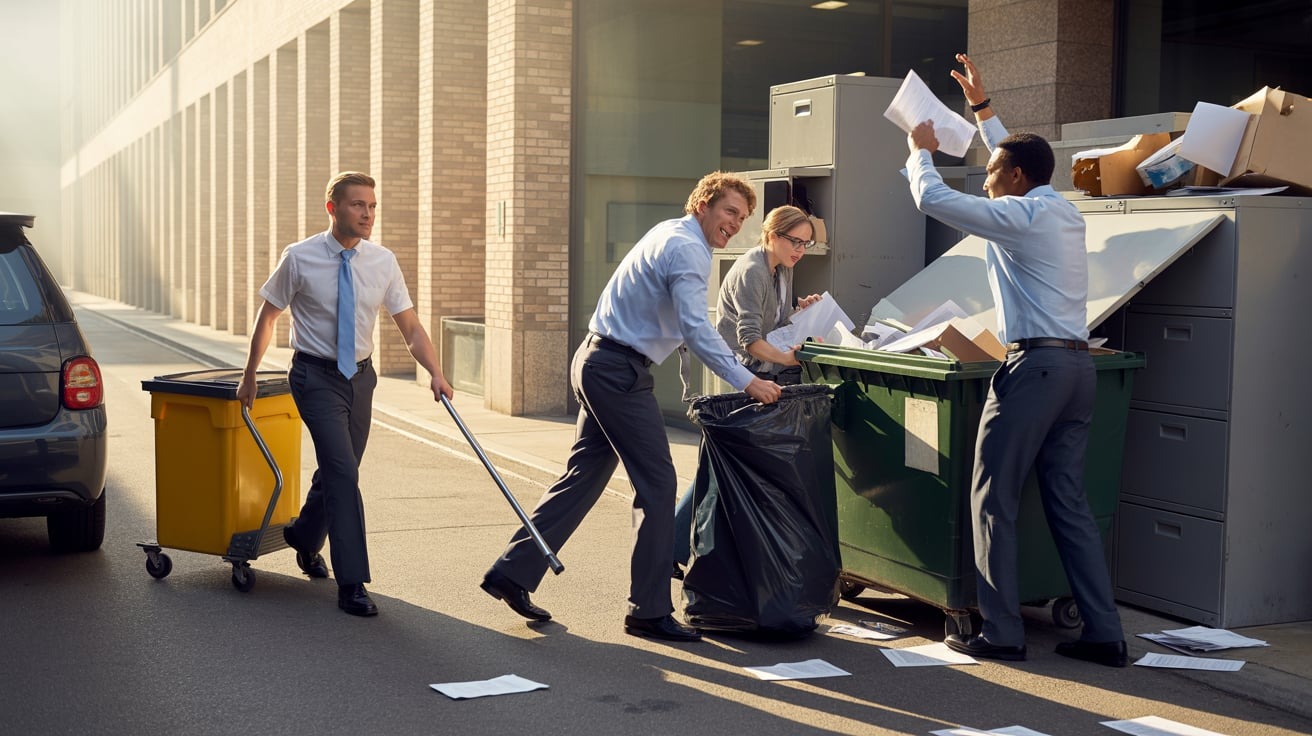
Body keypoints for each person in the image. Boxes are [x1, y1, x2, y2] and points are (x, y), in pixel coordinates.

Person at [480, 171, 784, 643]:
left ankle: (511, 572)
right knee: (658, 484)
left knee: (583, 476)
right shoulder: (687, 249)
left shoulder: (669, 233)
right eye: (730, 211)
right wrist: (748, 381)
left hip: (598, 360)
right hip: (618, 371)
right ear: (702, 205)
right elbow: (695, 327)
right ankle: (648, 611)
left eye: (743, 218)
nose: (735, 224)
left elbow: (682, 325)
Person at [903, 54, 1128, 667]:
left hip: (1035, 371)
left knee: (992, 497)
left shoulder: (1019, 214)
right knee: (1069, 504)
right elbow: (1015, 155)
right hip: (1078, 371)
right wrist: (983, 111)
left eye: (992, 173)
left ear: (1018, 178)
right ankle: (1105, 633)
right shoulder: (1059, 208)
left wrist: (920, 150)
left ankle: (1002, 632)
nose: (986, 180)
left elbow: (931, 198)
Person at [236, 171, 454, 618]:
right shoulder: (299, 257)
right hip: (314, 377)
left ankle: (303, 536)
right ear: (332, 208)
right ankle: (352, 583)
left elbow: (410, 326)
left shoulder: (382, 261)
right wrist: (250, 375)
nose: (368, 214)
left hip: (361, 379)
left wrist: (436, 372)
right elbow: (268, 316)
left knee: (341, 469)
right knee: (342, 472)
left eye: (372, 206)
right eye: (358, 205)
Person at [671, 204, 822, 575]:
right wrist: (788, 360)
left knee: (722, 465)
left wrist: (800, 311)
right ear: (771, 234)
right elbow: (750, 339)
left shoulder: (781, 269)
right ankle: (669, 545)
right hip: (741, 376)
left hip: (760, 373)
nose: (800, 250)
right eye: (794, 241)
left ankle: (674, 546)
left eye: (806, 243)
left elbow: (776, 324)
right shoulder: (753, 270)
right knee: (720, 465)